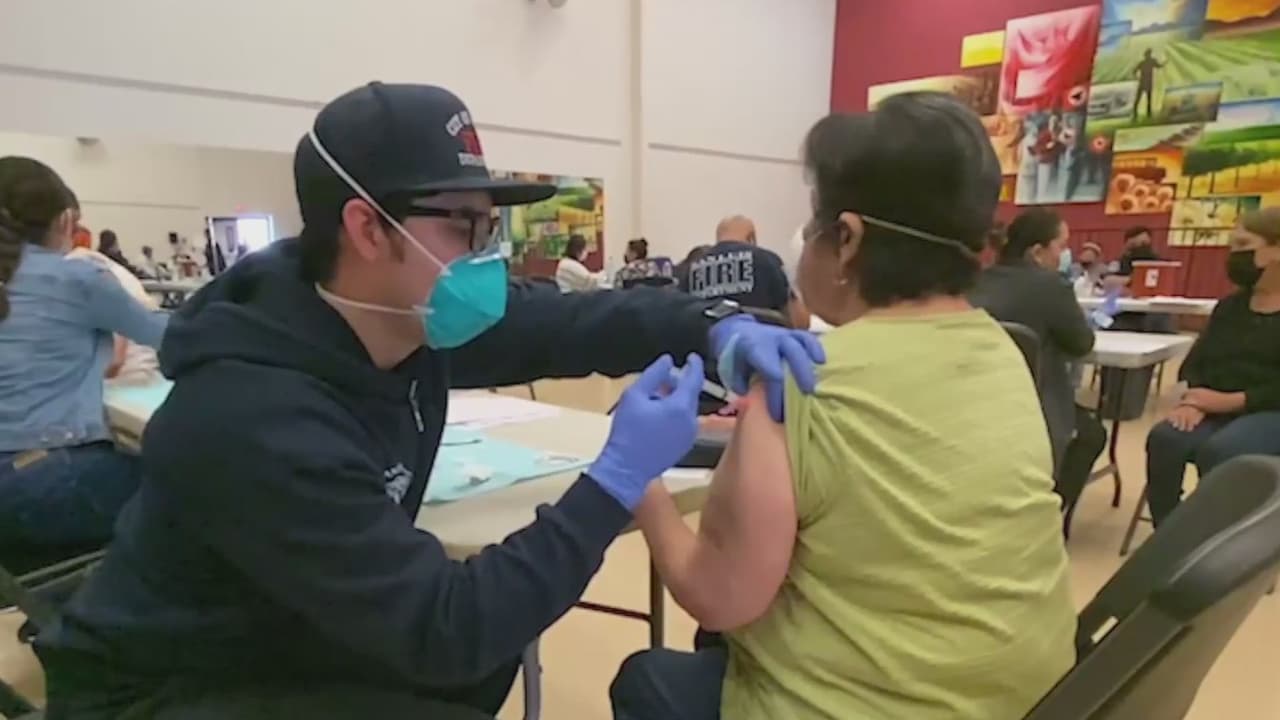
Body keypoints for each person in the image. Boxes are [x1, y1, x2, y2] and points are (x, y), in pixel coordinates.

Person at [34, 82, 824, 720]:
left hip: (285, 625)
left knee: (480, 668)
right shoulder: (252, 414)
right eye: (463, 226)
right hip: (170, 686)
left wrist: (712, 326)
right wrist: (614, 479)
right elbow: (448, 628)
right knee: (469, 654)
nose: (485, 256)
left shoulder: (407, 320)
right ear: (367, 228)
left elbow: (573, 322)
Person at [610, 93, 1074, 720]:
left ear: (847, 238)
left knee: (648, 678)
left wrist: (640, 478)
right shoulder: (1006, 353)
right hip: (1031, 700)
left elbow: (718, 595)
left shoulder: (798, 381)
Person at [0, 157, 168, 572]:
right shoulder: (77, 278)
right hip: (47, 480)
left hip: (17, 487)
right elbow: (173, 335)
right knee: (203, 486)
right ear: (66, 220)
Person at [1144, 207, 1280, 527]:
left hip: (1269, 409)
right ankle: (1170, 533)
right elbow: (1195, 363)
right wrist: (1192, 400)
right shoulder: (1229, 307)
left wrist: (1231, 401)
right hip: (1213, 407)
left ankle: (1215, 537)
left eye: (1243, 245)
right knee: (1165, 439)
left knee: (1222, 451)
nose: (1233, 256)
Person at [970, 208, 1107, 521]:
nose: (1065, 255)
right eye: (1061, 246)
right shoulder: (1052, 287)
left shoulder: (975, 281)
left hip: (978, 401)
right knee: (1092, 434)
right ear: (1037, 252)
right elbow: (1081, 343)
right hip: (1035, 405)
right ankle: (1053, 511)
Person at [680, 215, 809, 330]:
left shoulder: (691, 269)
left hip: (710, 347)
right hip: (762, 345)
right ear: (751, 238)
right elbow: (800, 322)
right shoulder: (768, 260)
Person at [1132, 49, 1165, 122]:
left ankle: (1147, 114)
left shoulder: (1149, 61)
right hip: (1144, 83)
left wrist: (1164, 63)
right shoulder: (1145, 62)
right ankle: (1136, 114)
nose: (1148, 56)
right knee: (1141, 99)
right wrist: (1136, 77)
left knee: (1147, 99)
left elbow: (1159, 66)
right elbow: (1134, 70)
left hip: (1146, 83)